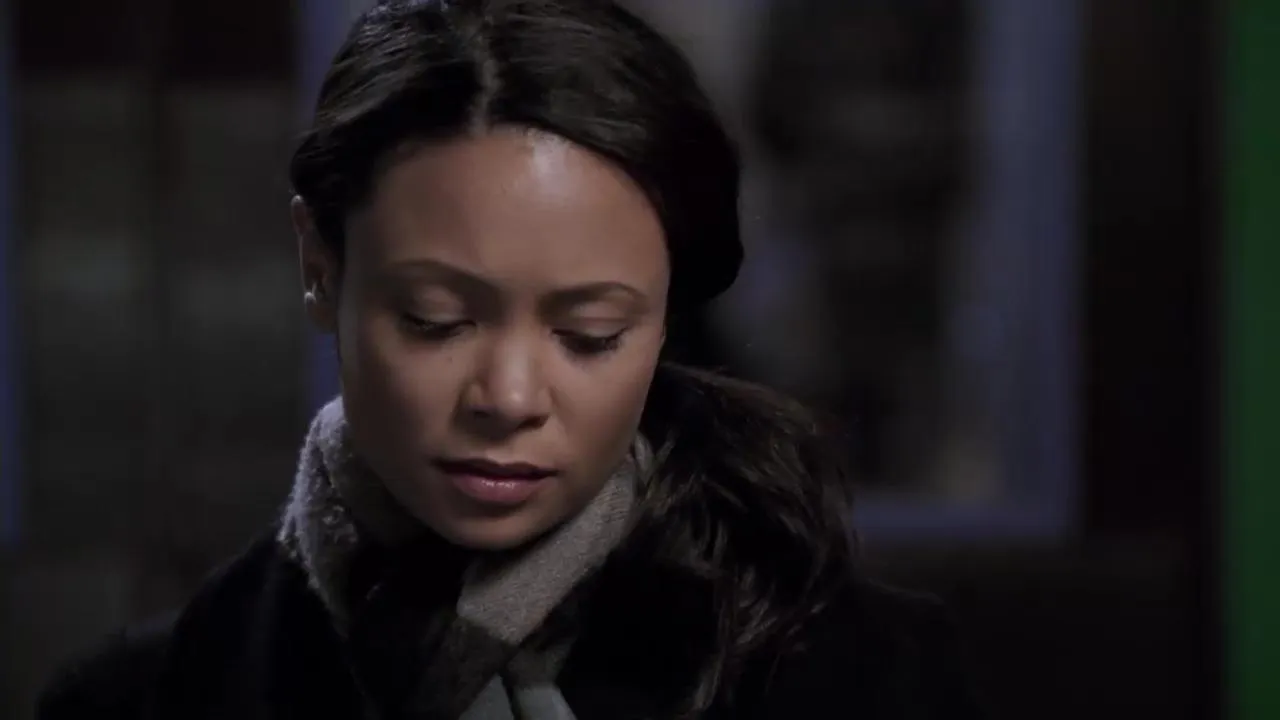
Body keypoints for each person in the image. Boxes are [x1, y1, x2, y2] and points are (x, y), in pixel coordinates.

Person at [37, 1, 983, 718]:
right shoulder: (137, 700)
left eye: (590, 335)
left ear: (666, 319)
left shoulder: (869, 680)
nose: (509, 396)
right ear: (320, 269)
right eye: (436, 320)